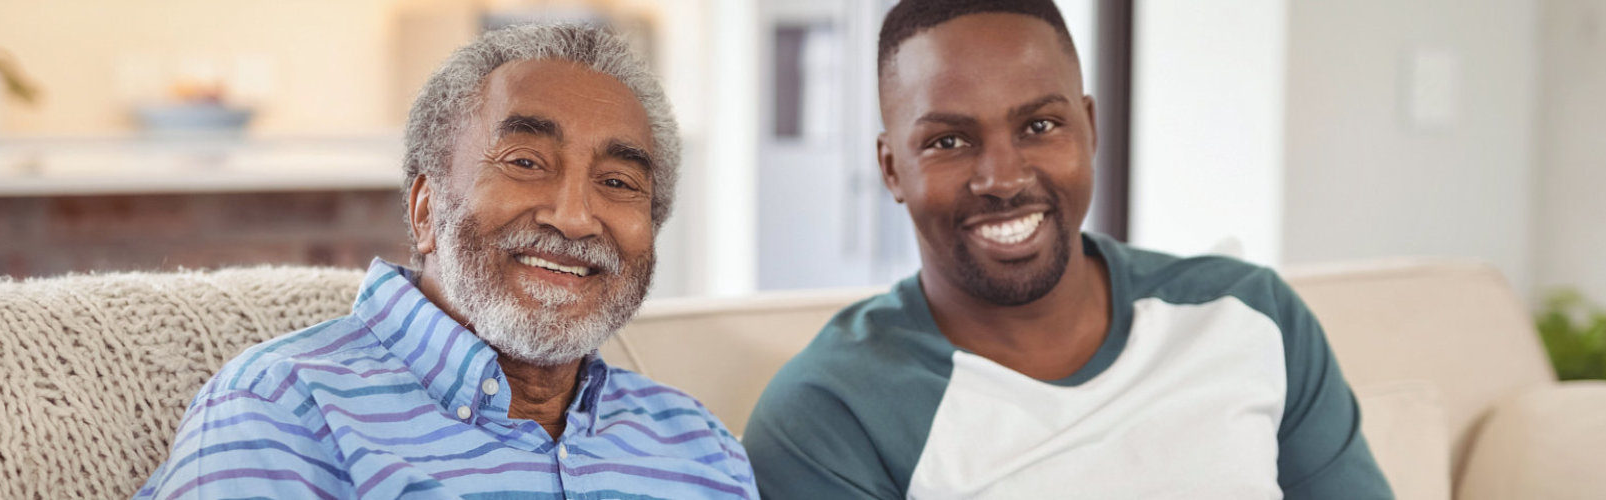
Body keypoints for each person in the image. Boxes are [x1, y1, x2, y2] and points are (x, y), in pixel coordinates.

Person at [743, 1, 1394, 498]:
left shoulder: (1252, 313)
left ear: (1087, 128)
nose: (1001, 178)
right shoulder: (828, 412)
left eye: (1039, 126)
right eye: (948, 141)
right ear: (890, 168)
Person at [135, 24, 755, 499]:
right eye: (524, 162)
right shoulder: (282, 409)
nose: (573, 217)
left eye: (619, 182)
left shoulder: (701, 446)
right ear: (426, 210)